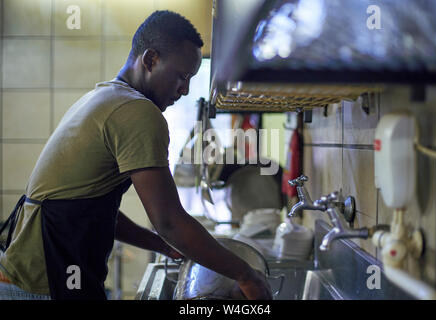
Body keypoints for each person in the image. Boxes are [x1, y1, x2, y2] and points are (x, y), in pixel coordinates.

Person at [0, 10, 272, 300]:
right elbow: (168, 220)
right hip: (46, 283)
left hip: (23, 276)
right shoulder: (138, 111)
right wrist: (246, 274)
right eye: (181, 76)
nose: (185, 89)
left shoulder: (104, 96)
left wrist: (161, 245)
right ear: (151, 60)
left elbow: (91, 209)